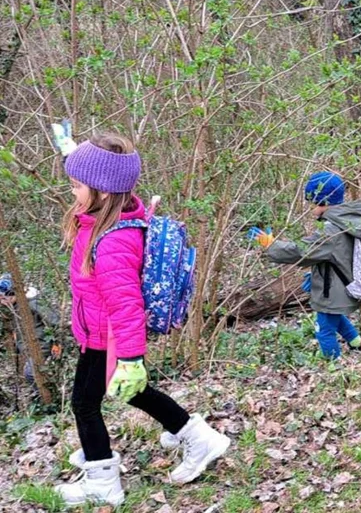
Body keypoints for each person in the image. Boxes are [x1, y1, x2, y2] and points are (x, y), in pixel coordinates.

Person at [55, 133, 230, 508]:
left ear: (102, 191)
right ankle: (196, 436)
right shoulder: (103, 221)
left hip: (106, 337)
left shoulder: (112, 242)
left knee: (85, 404)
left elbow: (126, 305)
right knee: (131, 393)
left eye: (77, 185)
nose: (73, 192)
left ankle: (103, 482)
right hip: (99, 333)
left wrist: (131, 359)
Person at [250, 171, 361, 359]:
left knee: (324, 329)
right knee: (333, 317)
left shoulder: (331, 229)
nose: (310, 208)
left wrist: (271, 245)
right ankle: (357, 343)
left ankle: (334, 366)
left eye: (311, 203)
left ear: (322, 202)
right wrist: (316, 275)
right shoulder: (348, 219)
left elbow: (302, 251)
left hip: (333, 289)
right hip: (342, 284)